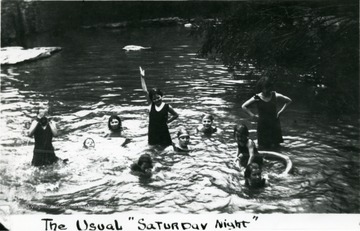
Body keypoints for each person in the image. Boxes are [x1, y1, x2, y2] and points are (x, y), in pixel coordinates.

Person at [242, 76, 292, 148]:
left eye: (267, 88)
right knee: (262, 146)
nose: (265, 90)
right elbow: (243, 106)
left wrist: (280, 112)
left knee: (276, 146)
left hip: (274, 123)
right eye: (264, 88)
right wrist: (252, 115)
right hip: (262, 125)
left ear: (270, 87)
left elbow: (289, 101)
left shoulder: (275, 95)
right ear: (261, 88)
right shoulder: (257, 97)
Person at [140, 66, 179, 146]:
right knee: (153, 148)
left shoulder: (167, 106)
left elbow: (175, 115)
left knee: (166, 147)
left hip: (163, 131)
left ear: (162, 96)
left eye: (158, 98)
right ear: (152, 100)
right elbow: (145, 91)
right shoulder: (151, 105)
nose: (156, 100)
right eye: (154, 99)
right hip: (153, 131)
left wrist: (168, 121)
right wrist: (142, 77)